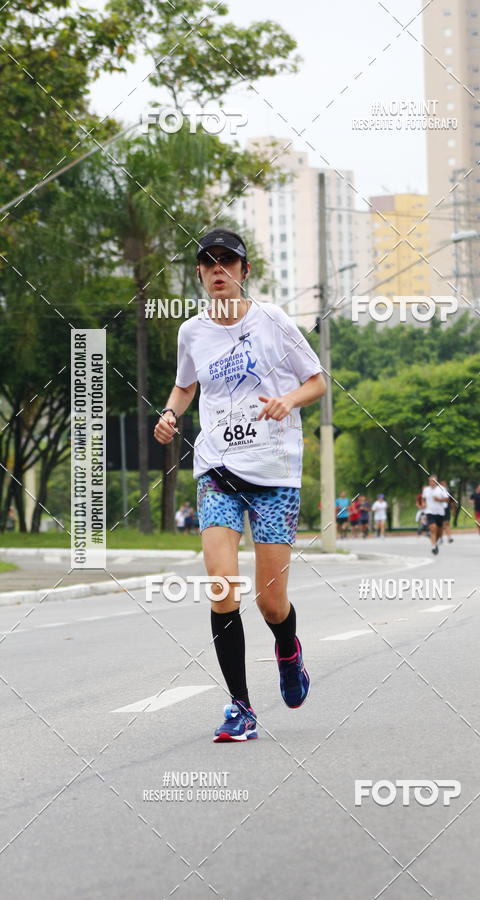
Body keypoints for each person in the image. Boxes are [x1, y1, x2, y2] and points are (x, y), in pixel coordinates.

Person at [154, 228, 326, 742]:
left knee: (271, 604)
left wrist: (288, 402)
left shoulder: (273, 320)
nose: (219, 270)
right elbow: (186, 385)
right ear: (200, 275)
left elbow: (317, 380)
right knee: (222, 585)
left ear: (244, 271)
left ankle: (289, 652)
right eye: (209, 264)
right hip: (217, 471)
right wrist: (169, 414)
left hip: (274, 474)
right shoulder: (192, 332)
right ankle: (241, 707)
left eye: (228, 262)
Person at [422, 474, 448, 555]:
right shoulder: (426, 490)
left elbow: (447, 499)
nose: (432, 483)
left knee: (439, 532)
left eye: (434, 481)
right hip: (429, 512)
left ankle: (435, 543)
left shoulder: (442, 489)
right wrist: (423, 504)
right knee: (433, 528)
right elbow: (423, 499)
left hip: (440, 513)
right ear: (429, 482)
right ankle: (433, 546)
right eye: (431, 481)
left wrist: (439, 499)